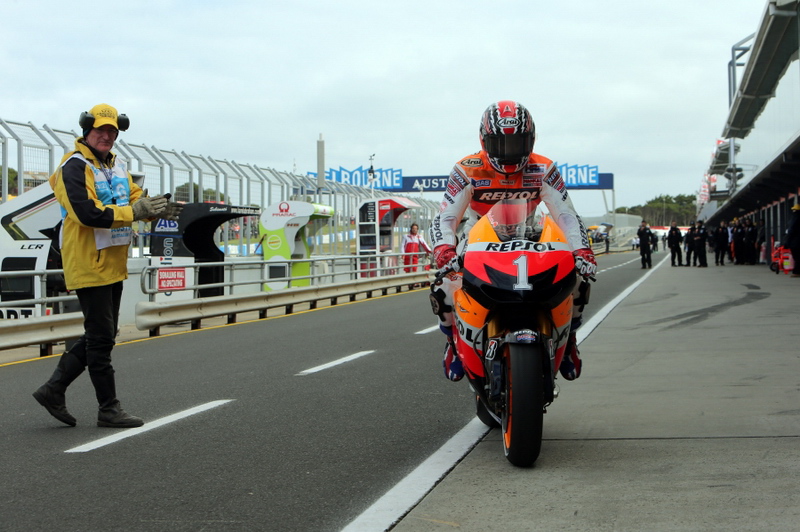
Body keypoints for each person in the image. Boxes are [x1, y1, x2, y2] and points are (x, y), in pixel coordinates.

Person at [32, 103, 183, 428]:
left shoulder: (115, 167)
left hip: (112, 263)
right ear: (87, 131)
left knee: (103, 333)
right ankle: (108, 409)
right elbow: (87, 213)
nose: (107, 136)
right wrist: (136, 212)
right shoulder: (73, 167)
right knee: (101, 337)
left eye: (112, 131)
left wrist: (154, 207)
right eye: (101, 130)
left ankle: (53, 389)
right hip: (87, 262)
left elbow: (133, 196)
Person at [429, 100, 595, 382]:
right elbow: (445, 217)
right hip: (478, 238)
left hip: (530, 234)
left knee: (578, 279)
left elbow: (566, 214)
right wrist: (445, 249)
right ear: (484, 140)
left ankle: (569, 342)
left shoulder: (544, 168)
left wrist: (581, 251)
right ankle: (453, 344)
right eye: (500, 144)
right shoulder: (466, 169)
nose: (509, 152)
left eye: (517, 143)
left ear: (530, 140)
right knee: (443, 284)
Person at [785, 203, 800, 277]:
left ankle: (797, 271)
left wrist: (787, 241)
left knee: (797, 257)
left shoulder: (795, 218)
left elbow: (791, 230)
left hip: (795, 241)